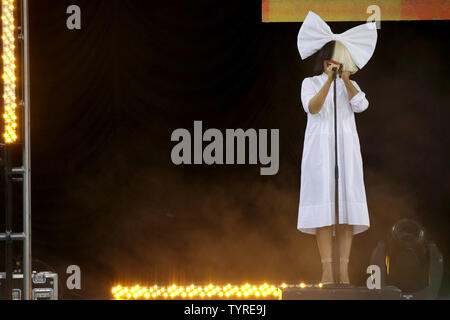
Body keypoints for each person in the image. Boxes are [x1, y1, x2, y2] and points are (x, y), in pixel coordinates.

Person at [296, 11, 378, 285]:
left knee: (345, 214)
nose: (337, 65)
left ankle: (343, 270)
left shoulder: (350, 85)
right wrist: (329, 80)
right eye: (333, 61)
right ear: (325, 60)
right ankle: (327, 270)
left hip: (345, 153)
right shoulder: (310, 83)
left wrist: (344, 80)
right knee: (324, 213)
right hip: (320, 153)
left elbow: (362, 106)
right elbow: (314, 108)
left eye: (341, 62)